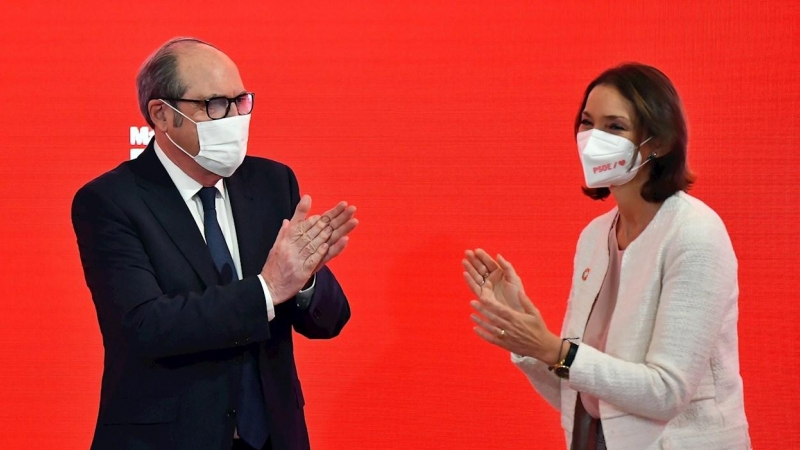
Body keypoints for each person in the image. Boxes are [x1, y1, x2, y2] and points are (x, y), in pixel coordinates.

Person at [72, 37, 357, 450]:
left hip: (275, 436)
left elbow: (329, 321)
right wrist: (267, 289)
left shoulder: (273, 183)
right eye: (215, 105)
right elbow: (145, 326)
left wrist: (307, 282)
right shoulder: (111, 200)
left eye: (241, 102)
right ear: (162, 115)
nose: (235, 118)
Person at [462, 63, 750, 449]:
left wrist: (552, 347)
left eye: (615, 127)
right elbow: (584, 392)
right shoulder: (595, 237)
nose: (593, 139)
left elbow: (665, 392)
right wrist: (526, 336)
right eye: (587, 123)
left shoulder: (694, 232)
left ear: (660, 142)